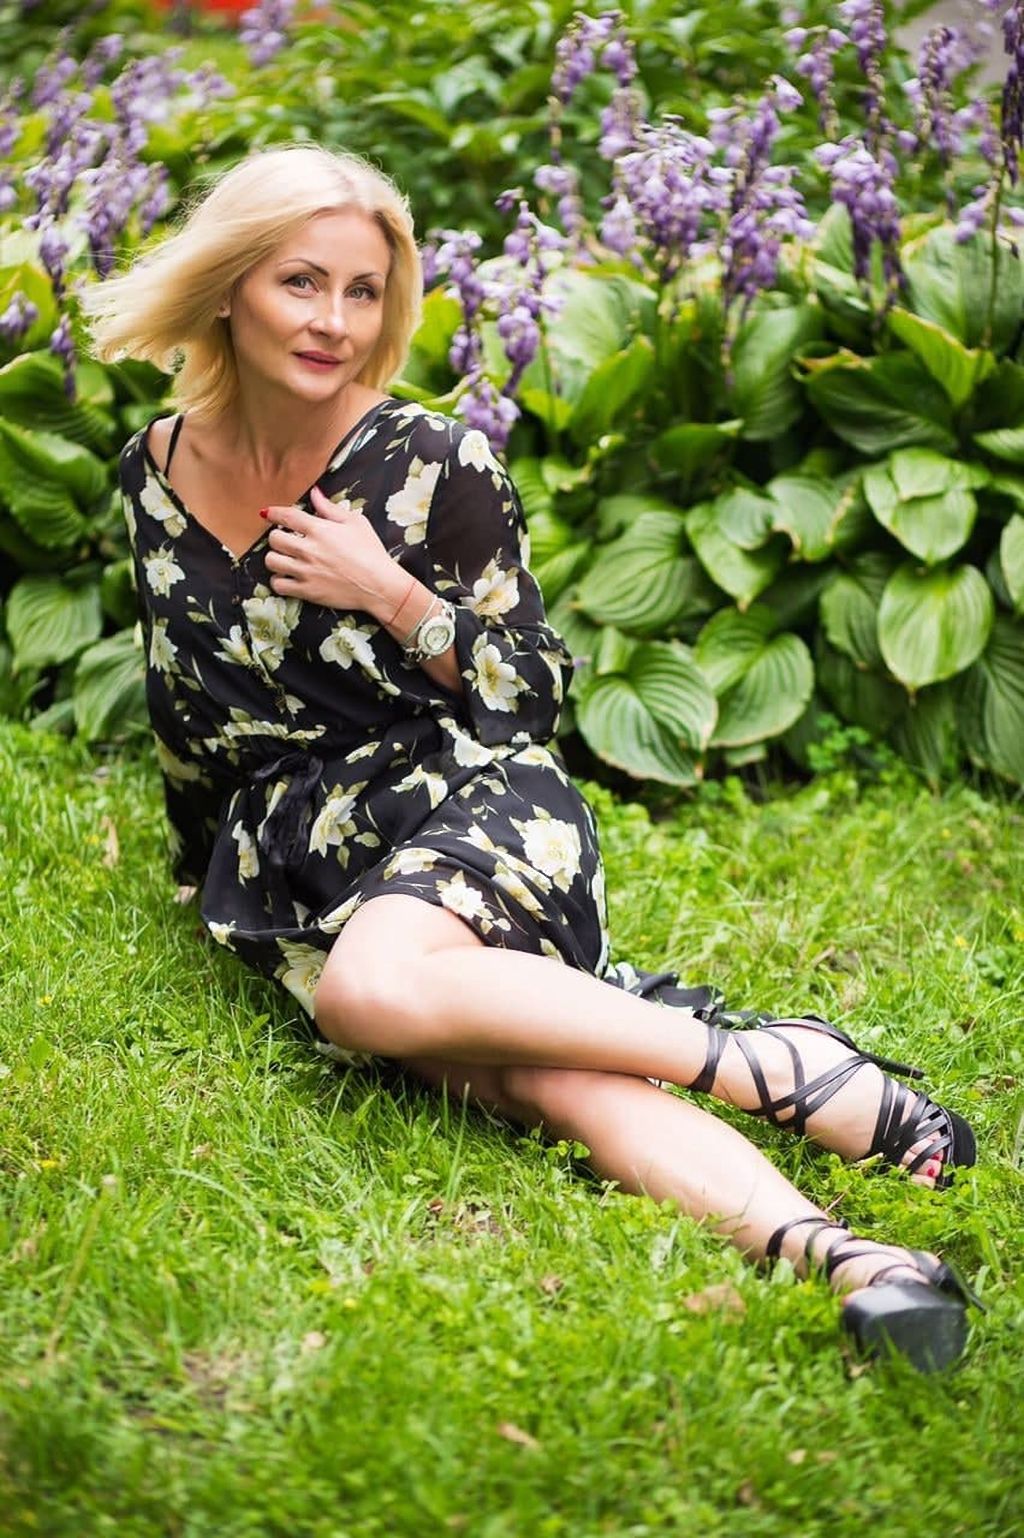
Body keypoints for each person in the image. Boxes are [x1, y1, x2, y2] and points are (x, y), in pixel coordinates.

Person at [84, 143, 980, 1374]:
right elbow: (182, 693)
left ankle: (767, 1065)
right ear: (231, 285)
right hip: (306, 853)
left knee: (366, 997)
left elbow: (536, 696)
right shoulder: (155, 470)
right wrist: (202, 862)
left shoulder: (434, 462)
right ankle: (848, 1257)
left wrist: (394, 596)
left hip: (468, 797)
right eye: (301, 282)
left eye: (362, 291)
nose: (334, 321)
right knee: (527, 1074)